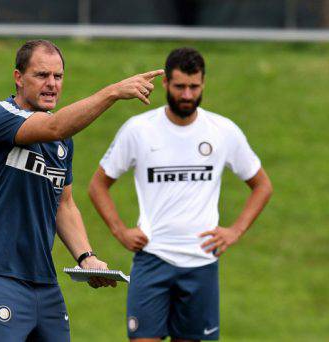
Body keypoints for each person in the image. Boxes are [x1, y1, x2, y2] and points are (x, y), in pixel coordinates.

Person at [0, 39, 164, 342]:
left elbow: (64, 204)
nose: (52, 84)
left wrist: (87, 257)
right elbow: (55, 126)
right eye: (41, 75)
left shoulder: (61, 144)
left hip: (44, 284)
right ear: (18, 78)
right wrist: (112, 92)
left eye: (58, 76)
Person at [88, 47, 273, 342]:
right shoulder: (139, 130)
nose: (187, 95)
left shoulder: (223, 131)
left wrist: (235, 231)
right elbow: (98, 185)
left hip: (200, 262)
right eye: (180, 87)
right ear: (165, 84)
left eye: (194, 86)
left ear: (202, 84)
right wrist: (120, 231)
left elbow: (262, 185)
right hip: (152, 258)